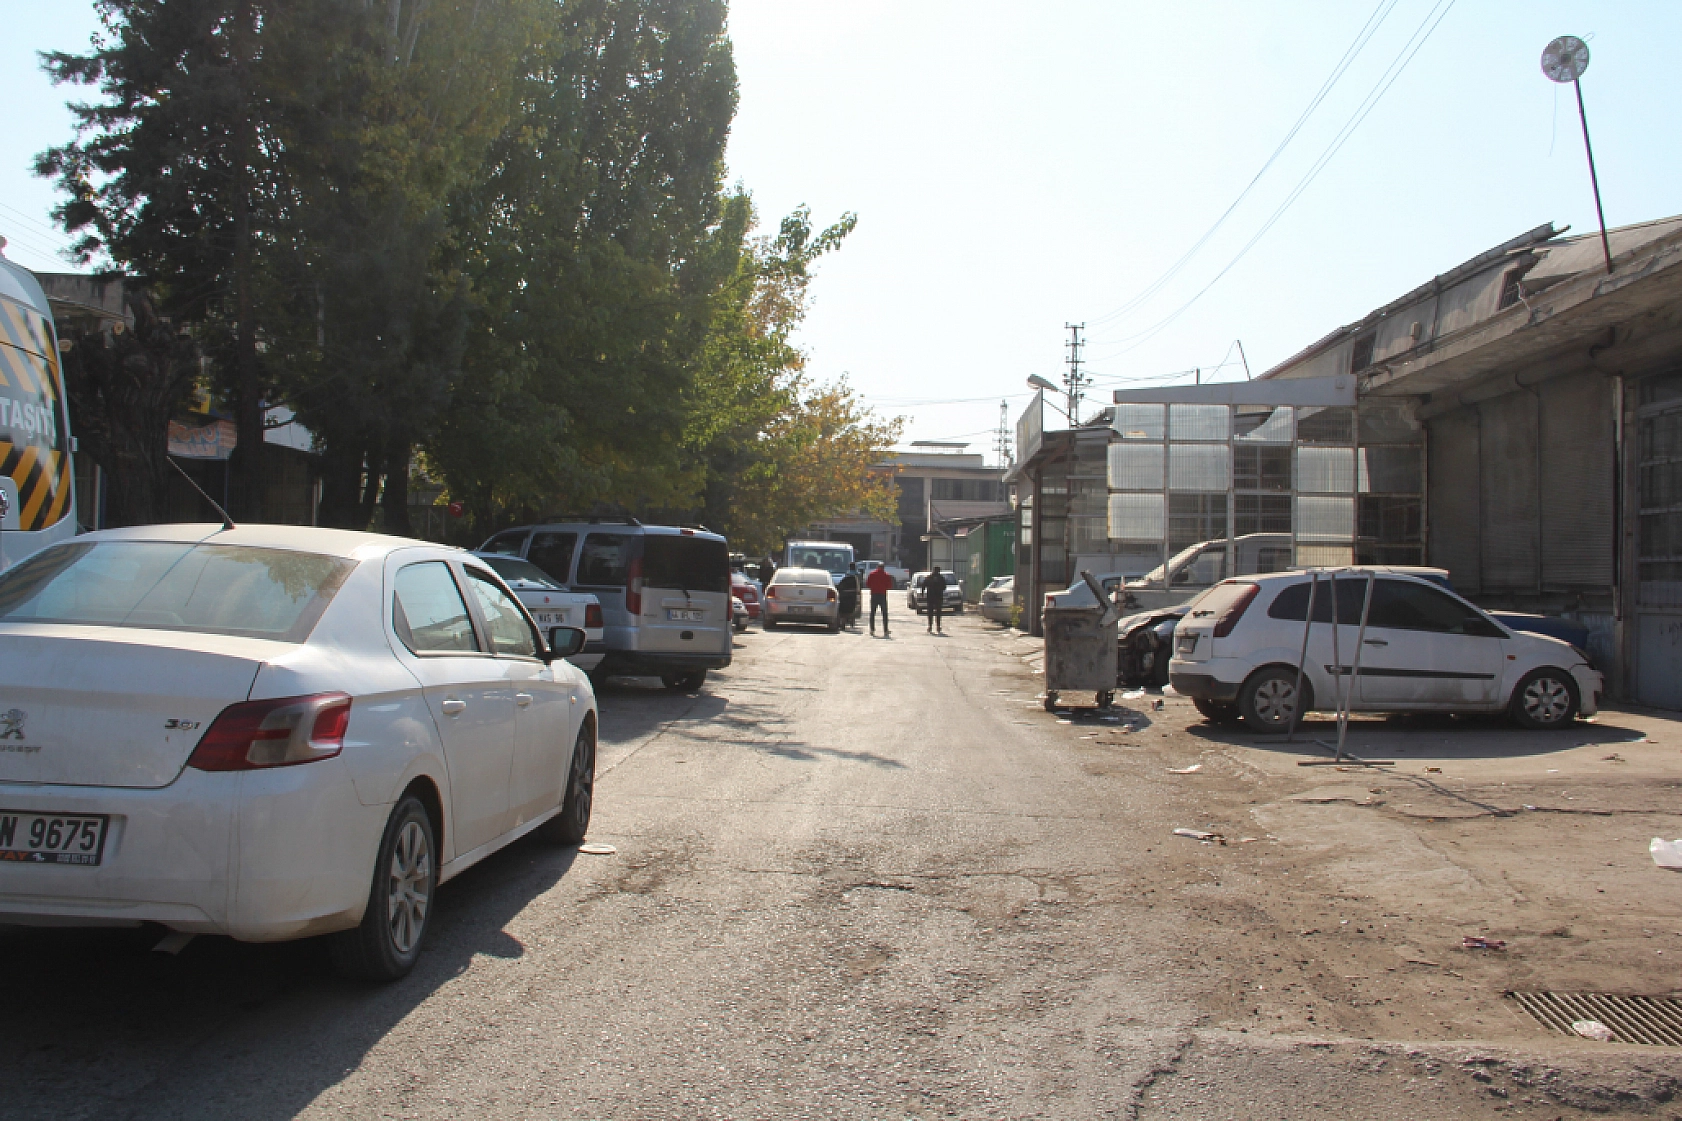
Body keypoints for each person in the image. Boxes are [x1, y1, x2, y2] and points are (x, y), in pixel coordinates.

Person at [864, 561, 895, 636]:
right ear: (883, 567)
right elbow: (889, 586)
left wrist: (874, 587)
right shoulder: (886, 575)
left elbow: (868, 584)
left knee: (872, 613)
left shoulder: (872, 574)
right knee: (884, 613)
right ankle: (885, 630)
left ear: (877, 567)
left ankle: (872, 629)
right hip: (882, 595)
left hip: (874, 595)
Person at [924, 565, 949, 633]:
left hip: (930, 597)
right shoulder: (941, 578)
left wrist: (923, 593)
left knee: (930, 612)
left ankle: (930, 626)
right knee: (938, 612)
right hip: (938, 597)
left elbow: (923, 585)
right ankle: (938, 626)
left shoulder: (929, 577)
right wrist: (939, 589)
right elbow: (944, 587)